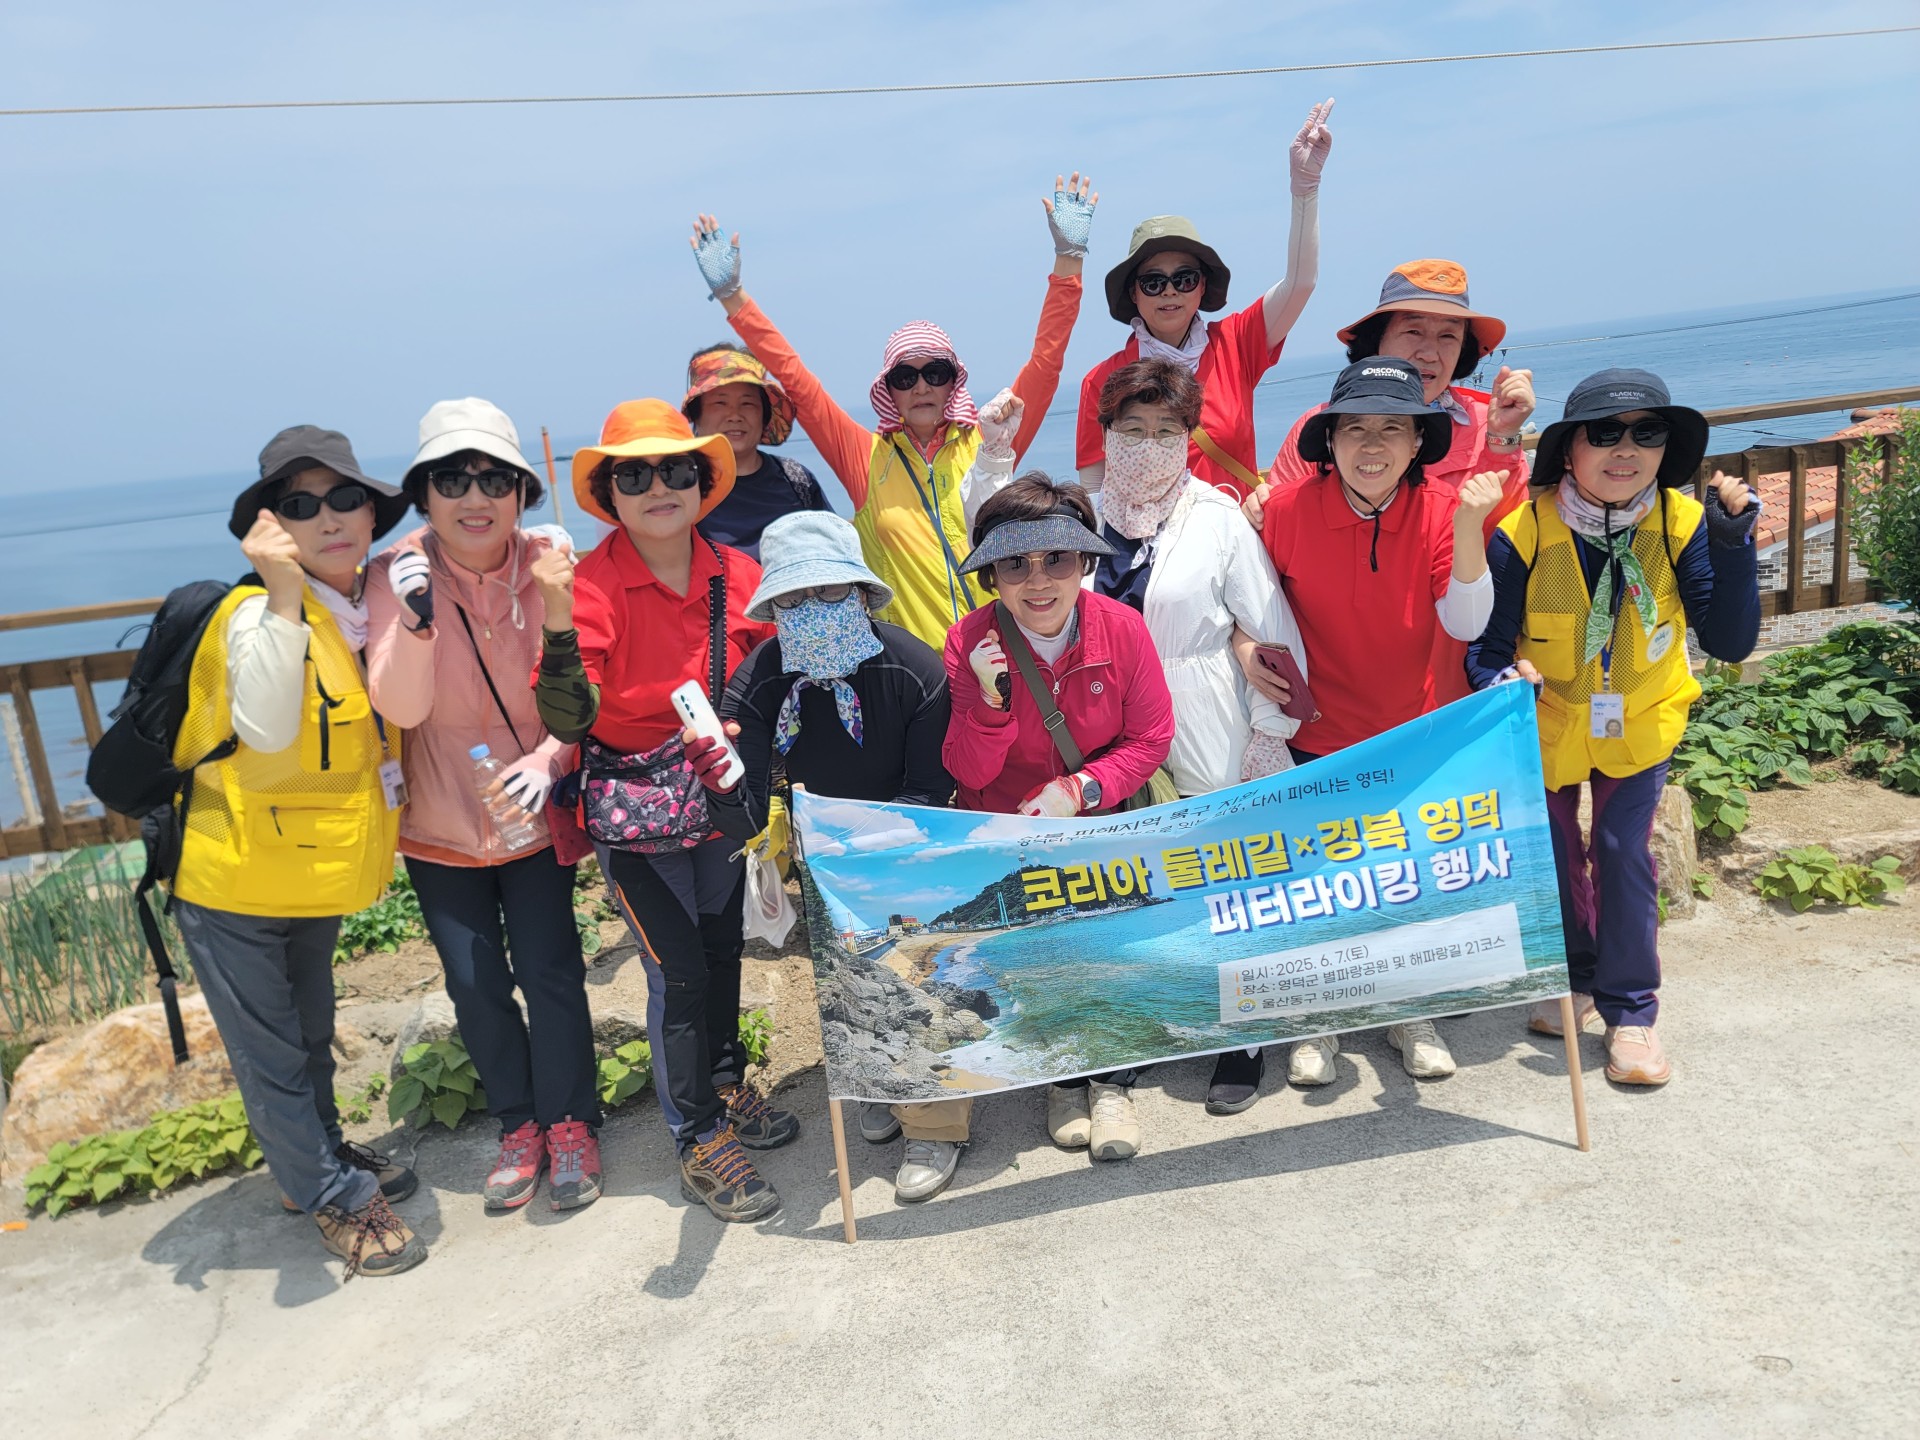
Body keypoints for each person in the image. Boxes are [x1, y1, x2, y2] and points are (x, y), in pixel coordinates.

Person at [531, 399, 798, 1224]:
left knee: (721, 950)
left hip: (718, 794)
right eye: (633, 474)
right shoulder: (591, 586)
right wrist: (554, 618)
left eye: (676, 469)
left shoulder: (738, 575)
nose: (657, 487)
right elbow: (568, 720)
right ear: (608, 493)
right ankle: (697, 1135)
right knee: (676, 970)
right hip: (635, 812)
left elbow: (772, 678)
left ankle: (723, 1082)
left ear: (703, 481)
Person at [168, 426, 425, 1278]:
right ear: (271, 527)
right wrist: (280, 590)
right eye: (301, 506)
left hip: (307, 870)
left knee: (310, 1033)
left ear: (372, 511)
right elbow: (270, 727)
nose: (330, 518)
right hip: (233, 876)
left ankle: (314, 1161)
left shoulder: (362, 610)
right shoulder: (259, 614)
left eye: (346, 498)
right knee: (272, 1051)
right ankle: (331, 1195)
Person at [1467, 370, 1759, 1086]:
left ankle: (1631, 1011)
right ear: (1569, 450)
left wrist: (1733, 547)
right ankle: (1577, 978)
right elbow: (1486, 650)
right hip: (1549, 721)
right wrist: (1503, 680)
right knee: (1556, 851)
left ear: (1665, 450)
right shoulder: (1523, 532)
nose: (1625, 450)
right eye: (1604, 433)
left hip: (1643, 717)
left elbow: (1729, 642)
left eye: (1646, 433)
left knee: (1624, 849)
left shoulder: (1682, 524)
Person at [688, 171, 1095, 648]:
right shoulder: (865, 458)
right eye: (905, 377)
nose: (921, 387)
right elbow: (796, 378)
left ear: (954, 381)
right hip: (913, 671)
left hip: (1005, 656)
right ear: (888, 390)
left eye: (935, 373)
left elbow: (1046, 363)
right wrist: (733, 297)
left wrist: (1069, 259)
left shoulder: (992, 442)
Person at [681, 512, 961, 1203]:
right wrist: (720, 783)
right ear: (773, 608)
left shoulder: (915, 670)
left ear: (862, 594)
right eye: (794, 599)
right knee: (848, 981)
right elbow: (745, 817)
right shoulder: (759, 681)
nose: (813, 609)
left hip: (904, 842)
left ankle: (934, 1125)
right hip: (820, 855)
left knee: (914, 976)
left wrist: (870, 846)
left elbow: (930, 787)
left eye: (830, 592)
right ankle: (879, 1084)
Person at [365, 398, 601, 1214]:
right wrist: (416, 623)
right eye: (452, 480)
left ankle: (570, 1123)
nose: (475, 497)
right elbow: (399, 706)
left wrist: (550, 757)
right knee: (473, 983)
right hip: (439, 824)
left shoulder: (550, 564)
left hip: (531, 817)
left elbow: (581, 689)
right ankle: (518, 1124)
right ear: (423, 494)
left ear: (522, 492)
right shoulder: (394, 575)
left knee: (551, 970)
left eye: (495, 480)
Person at [1260, 358, 1505, 1086]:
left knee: (1402, 882)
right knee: (1317, 886)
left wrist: (1470, 525)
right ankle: (1318, 1021)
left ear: (1419, 441)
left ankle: (1409, 1012)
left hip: (1410, 731)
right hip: (1313, 733)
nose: (1372, 445)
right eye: (1355, 428)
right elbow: (1247, 607)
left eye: (1393, 428)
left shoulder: (1441, 509)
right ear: (1328, 441)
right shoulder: (1284, 511)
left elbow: (1466, 620)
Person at [1072, 357, 1307, 1115]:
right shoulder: (1080, 518)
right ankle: (1154, 1021)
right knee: (1135, 879)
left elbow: (1269, 633)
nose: (1148, 444)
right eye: (1132, 428)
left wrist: (1268, 735)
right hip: (1107, 725)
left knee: (1225, 877)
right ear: (1105, 432)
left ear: (1188, 438)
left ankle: (1244, 1034)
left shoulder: (1217, 517)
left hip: (1204, 711)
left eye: (1165, 430)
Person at [943, 475, 1175, 1161]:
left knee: (1111, 951)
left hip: (1097, 824)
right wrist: (990, 700)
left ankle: (1111, 1085)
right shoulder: (967, 641)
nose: (1038, 580)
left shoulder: (1123, 629)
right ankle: (1062, 1082)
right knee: (1038, 958)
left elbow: (1151, 739)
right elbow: (967, 772)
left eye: (1058, 559)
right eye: (1015, 563)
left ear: (1084, 564)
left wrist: (1080, 789)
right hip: (1010, 834)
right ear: (991, 575)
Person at [1238, 259, 1536, 705]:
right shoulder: (1322, 427)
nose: (1430, 352)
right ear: (1377, 340)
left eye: (1448, 336)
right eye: (1413, 331)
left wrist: (1503, 441)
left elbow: (1507, 540)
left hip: (1457, 680)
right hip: (1338, 688)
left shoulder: (1489, 425)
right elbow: (1266, 559)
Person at [1074, 100, 1333, 500]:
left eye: (1184, 278)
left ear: (1201, 286)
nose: (1170, 291)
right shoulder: (1102, 380)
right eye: (1153, 282)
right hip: (1149, 540)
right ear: (1133, 293)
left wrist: (1305, 187)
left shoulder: (1236, 344)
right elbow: (1094, 488)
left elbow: (1301, 282)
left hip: (1235, 533)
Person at [682, 343, 831, 560]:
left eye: (747, 403)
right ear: (696, 415)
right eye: (720, 403)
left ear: (764, 415)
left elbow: (834, 552)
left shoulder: (796, 480)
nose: (735, 415)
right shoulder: (679, 483)